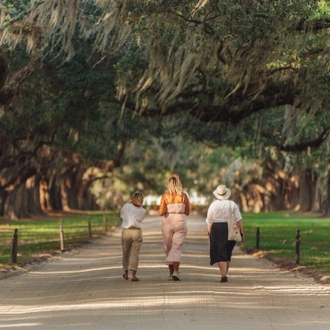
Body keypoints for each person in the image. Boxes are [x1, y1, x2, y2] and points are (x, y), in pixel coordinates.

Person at [205, 184, 244, 283]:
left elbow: (209, 220)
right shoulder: (232, 204)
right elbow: (238, 219)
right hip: (230, 228)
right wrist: (241, 231)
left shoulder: (213, 205)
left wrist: (209, 232)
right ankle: (224, 274)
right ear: (226, 194)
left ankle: (223, 275)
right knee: (227, 252)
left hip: (217, 228)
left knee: (220, 252)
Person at [158, 173, 191, 281]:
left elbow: (161, 212)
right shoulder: (184, 196)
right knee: (177, 247)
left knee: (168, 247)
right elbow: (188, 212)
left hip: (168, 222)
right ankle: (176, 271)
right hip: (180, 221)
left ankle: (171, 272)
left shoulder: (165, 196)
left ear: (169, 185)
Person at [120, 191, 146, 282]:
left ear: (132, 199)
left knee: (125, 253)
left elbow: (121, 215)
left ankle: (125, 273)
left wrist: (129, 202)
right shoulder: (143, 211)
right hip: (137, 232)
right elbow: (140, 219)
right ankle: (133, 275)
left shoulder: (126, 207)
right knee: (135, 254)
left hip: (127, 231)